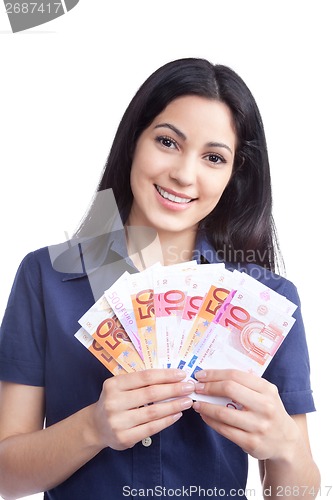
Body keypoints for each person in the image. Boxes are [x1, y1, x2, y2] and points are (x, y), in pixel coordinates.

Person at [0, 58, 320, 500]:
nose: (184, 175)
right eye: (168, 142)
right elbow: (5, 476)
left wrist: (284, 444)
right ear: (135, 141)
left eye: (213, 157)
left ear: (233, 175)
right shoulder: (46, 277)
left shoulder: (268, 300)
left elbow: (294, 492)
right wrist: (93, 427)